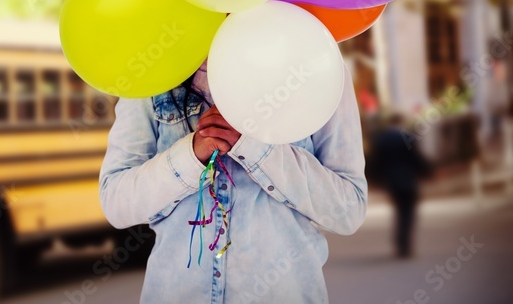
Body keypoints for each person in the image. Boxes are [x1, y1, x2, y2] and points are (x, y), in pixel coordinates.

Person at [100, 62, 367, 303]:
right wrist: (190, 154)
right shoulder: (151, 72)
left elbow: (348, 210)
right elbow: (116, 202)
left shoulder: (319, 65)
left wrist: (253, 145)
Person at [370, 114, 432, 258]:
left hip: (392, 181)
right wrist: (427, 172)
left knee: (399, 211)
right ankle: (405, 244)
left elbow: (377, 161)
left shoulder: (381, 139)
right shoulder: (408, 136)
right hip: (408, 180)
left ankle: (399, 242)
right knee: (408, 213)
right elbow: (416, 157)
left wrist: (375, 178)